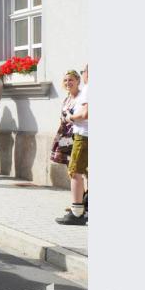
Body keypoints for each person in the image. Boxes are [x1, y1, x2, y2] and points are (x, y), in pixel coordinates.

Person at [56, 68, 88, 225]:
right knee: (75, 169)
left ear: (79, 80)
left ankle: (78, 210)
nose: (68, 83)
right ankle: (81, 204)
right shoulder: (68, 98)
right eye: (66, 80)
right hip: (68, 136)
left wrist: (70, 118)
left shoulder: (83, 94)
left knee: (77, 171)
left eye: (71, 80)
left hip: (80, 135)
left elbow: (83, 115)